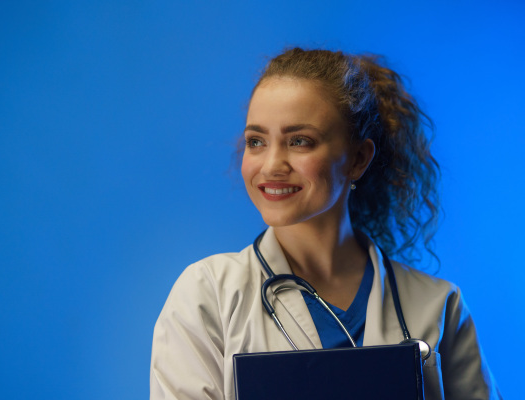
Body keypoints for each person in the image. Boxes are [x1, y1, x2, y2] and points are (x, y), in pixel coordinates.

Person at [150, 48, 501, 399]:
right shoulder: (207, 296)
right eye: (256, 141)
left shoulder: (438, 305)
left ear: (358, 159)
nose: (271, 165)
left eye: (299, 141)